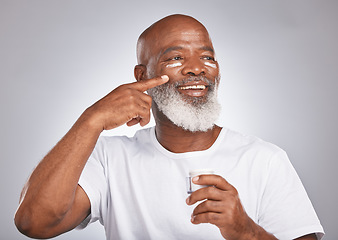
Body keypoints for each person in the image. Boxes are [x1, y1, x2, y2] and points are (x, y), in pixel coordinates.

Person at [14, 14, 324, 240]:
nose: (197, 68)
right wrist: (91, 119)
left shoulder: (264, 159)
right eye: (176, 57)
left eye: (207, 57)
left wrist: (246, 232)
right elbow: (34, 222)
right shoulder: (109, 158)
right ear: (141, 75)